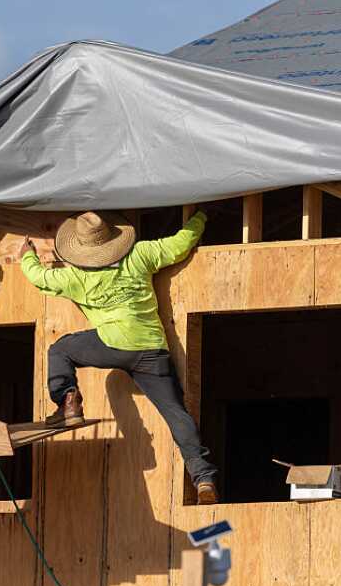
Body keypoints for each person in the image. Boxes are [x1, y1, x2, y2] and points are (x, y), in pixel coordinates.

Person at [18, 209, 220, 503]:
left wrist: (27, 254)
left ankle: (67, 402)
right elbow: (180, 244)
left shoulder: (76, 276)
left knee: (60, 349)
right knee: (177, 414)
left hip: (111, 345)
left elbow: (40, 278)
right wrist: (201, 214)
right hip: (151, 350)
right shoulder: (140, 254)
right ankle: (203, 479)